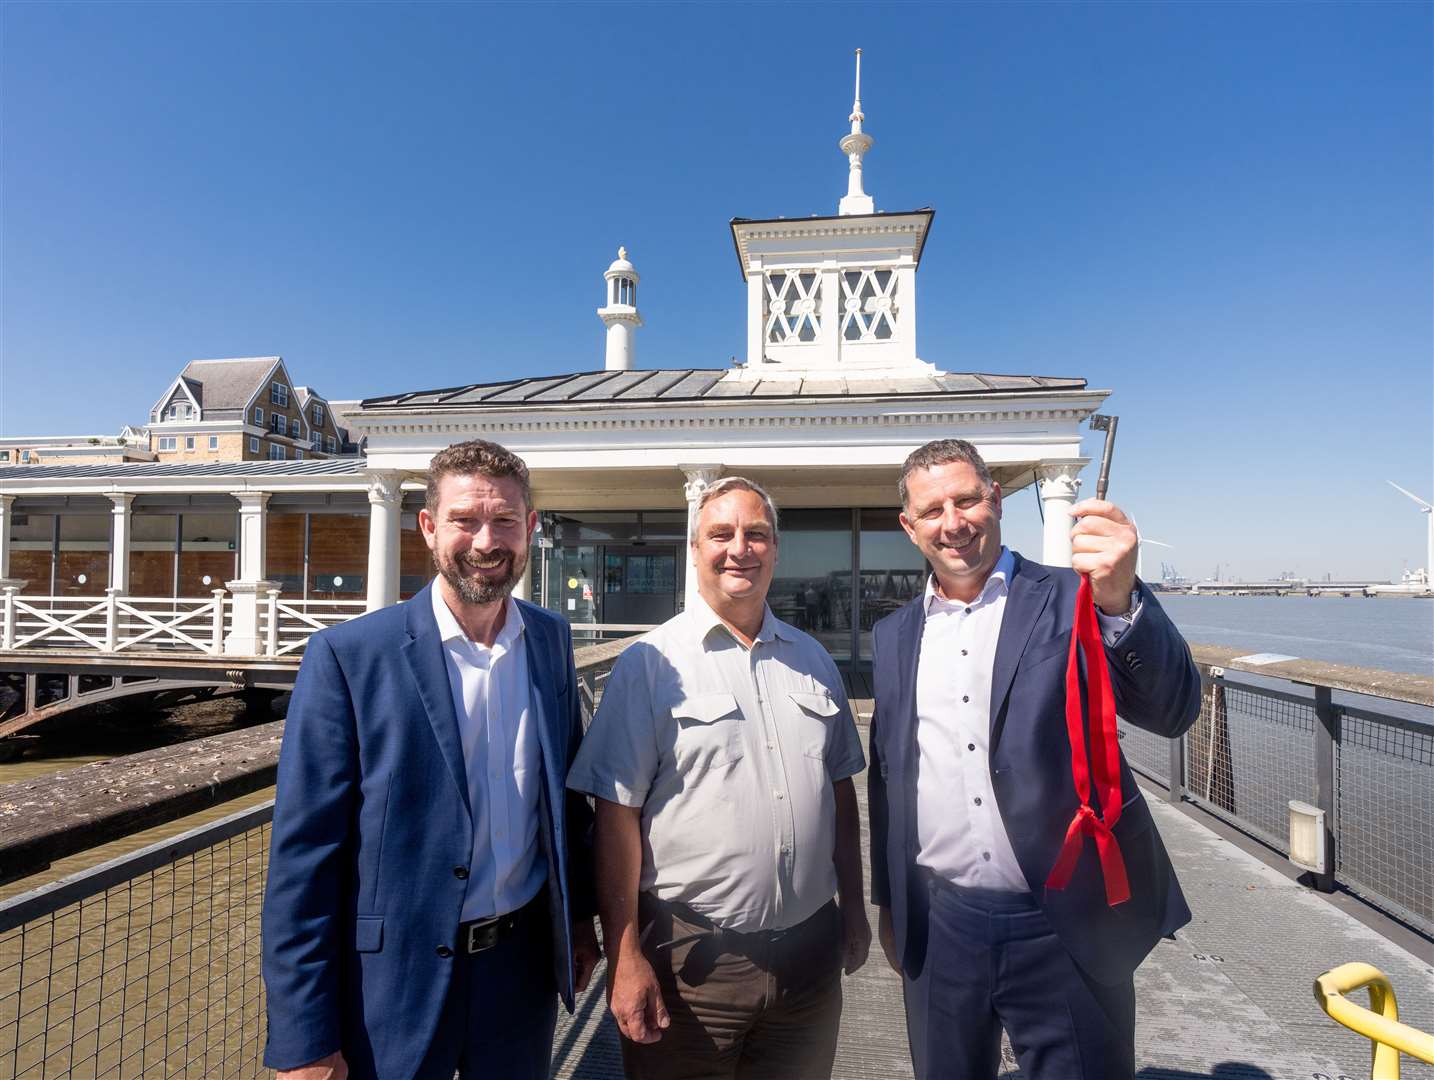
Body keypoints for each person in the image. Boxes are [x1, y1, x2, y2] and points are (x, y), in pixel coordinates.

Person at [261, 438, 600, 1080]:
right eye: (464, 520)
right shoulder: (349, 657)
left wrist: (577, 920)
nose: (485, 541)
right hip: (391, 987)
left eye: (504, 521)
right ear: (427, 527)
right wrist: (303, 1039)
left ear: (529, 529)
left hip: (520, 973)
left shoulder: (551, 640)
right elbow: (304, 860)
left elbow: (566, 804)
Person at [868, 438, 1202, 1080]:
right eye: (932, 510)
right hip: (942, 928)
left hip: (1065, 922)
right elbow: (889, 779)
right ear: (910, 528)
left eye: (966, 499)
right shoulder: (894, 635)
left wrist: (1122, 598)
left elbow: (1170, 711)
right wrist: (891, 906)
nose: (953, 522)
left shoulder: (1076, 597)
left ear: (995, 500)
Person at [567, 476, 870, 1080]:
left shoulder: (813, 660)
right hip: (692, 966)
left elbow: (840, 793)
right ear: (694, 549)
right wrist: (625, 955)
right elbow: (616, 818)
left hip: (809, 961)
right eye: (721, 534)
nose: (740, 548)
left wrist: (856, 909)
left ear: (776, 549)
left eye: (756, 534)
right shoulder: (649, 665)